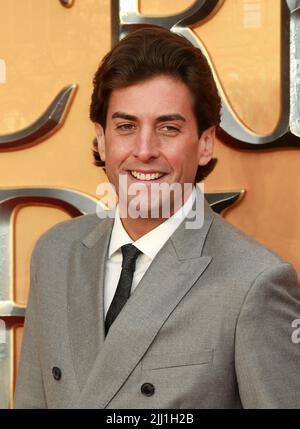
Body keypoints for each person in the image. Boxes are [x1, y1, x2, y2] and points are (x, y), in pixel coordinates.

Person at [14, 27, 300, 409]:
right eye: (126, 127)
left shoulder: (254, 282)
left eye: (168, 128)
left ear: (204, 143)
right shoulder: (54, 254)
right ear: (101, 139)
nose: (144, 150)